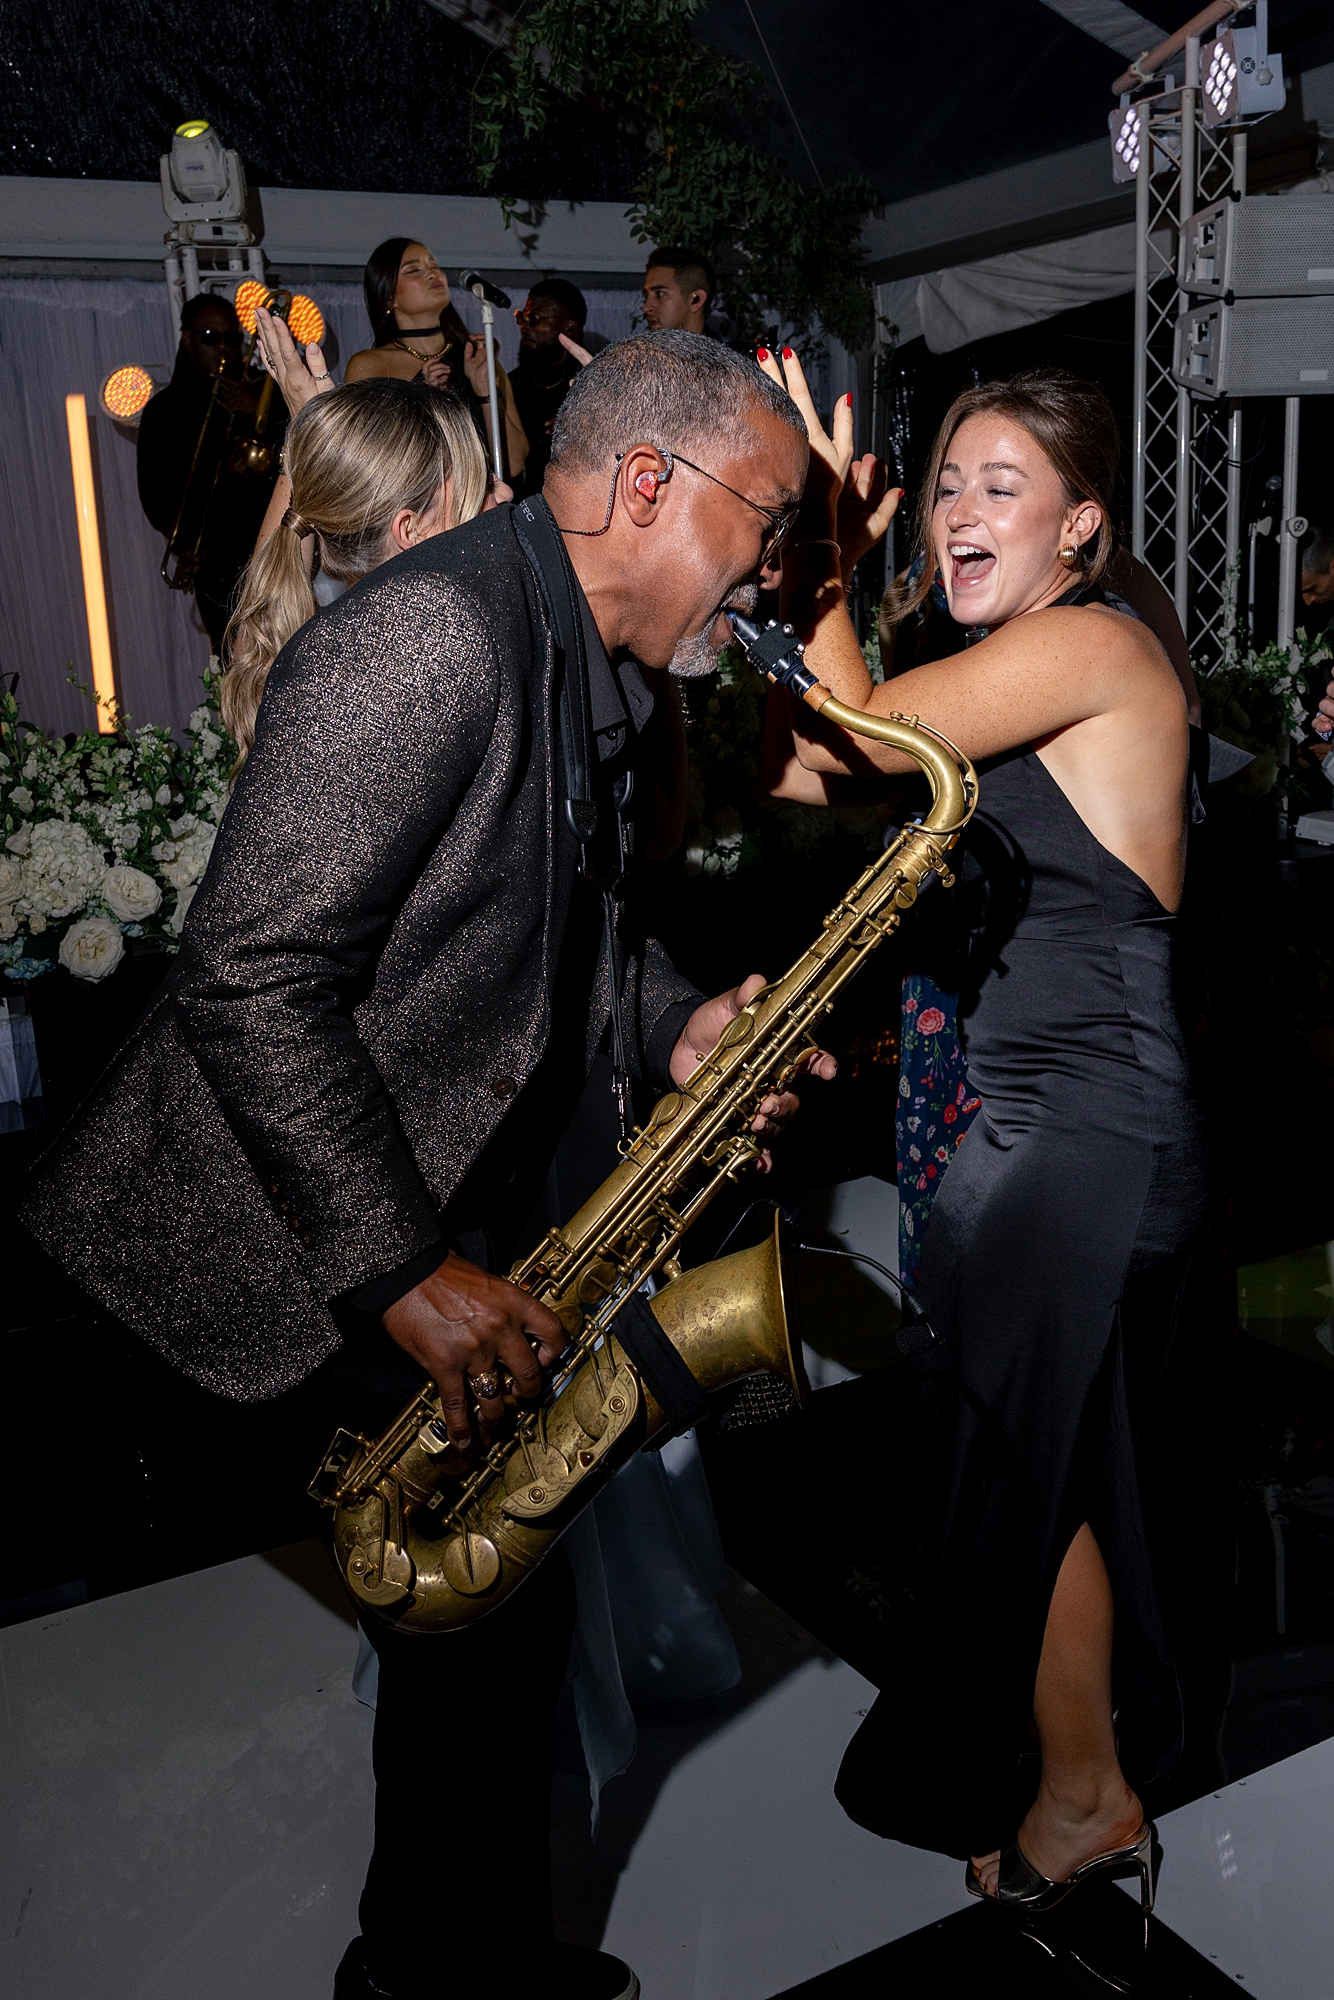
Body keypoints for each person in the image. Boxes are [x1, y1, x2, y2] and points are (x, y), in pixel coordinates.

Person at [21, 330, 827, 2000]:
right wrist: (403, 1272)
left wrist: (674, 1026)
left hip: (416, 1177)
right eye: (763, 520)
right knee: (467, 1631)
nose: (772, 567)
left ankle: (444, 1961)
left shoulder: (581, 652)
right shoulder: (432, 641)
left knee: (489, 1631)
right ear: (643, 483)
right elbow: (248, 983)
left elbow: (572, 935)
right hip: (274, 1231)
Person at [762, 356, 1210, 1911]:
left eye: (997, 487)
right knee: (1042, 1473)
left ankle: (1082, 1791)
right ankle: (1079, 1780)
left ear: (1079, 529)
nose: (956, 509)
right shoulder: (1026, 668)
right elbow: (829, 760)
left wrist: (820, 544)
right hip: (1032, 1128)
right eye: (943, 484)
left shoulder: (1089, 646)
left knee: (1007, 1467)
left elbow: (877, 742)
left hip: (1085, 1131)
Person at [221, 377, 489, 765]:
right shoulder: (423, 672)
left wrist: (316, 444)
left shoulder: (321, 660)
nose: (504, 495)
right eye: (475, 489)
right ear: (409, 530)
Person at [136, 291, 284, 651]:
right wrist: (184, 542)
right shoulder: (165, 409)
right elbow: (154, 491)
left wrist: (259, 411)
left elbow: (303, 452)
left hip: (273, 549)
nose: (223, 347)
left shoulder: (262, 390)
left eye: (231, 338)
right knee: (235, 654)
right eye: (210, 338)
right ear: (187, 340)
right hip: (214, 559)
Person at [343, 236, 528, 480]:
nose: (432, 274)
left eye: (434, 266)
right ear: (388, 297)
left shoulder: (477, 357)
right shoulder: (370, 365)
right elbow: (366, 465)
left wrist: (485, 391)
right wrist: (426, 400)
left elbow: (514, 465)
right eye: (414, 270)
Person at [509, 278, 590, 495]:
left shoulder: (594, 379)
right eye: (521, 318)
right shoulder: (512, 384)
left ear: (570, 327)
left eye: (533, 318)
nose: (524, 327)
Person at [642, 247, 715, 335]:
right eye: (646, 296)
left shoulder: (720, 349)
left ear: (696, 300)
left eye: (659, 294)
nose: (646, 308)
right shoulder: (643, 348)